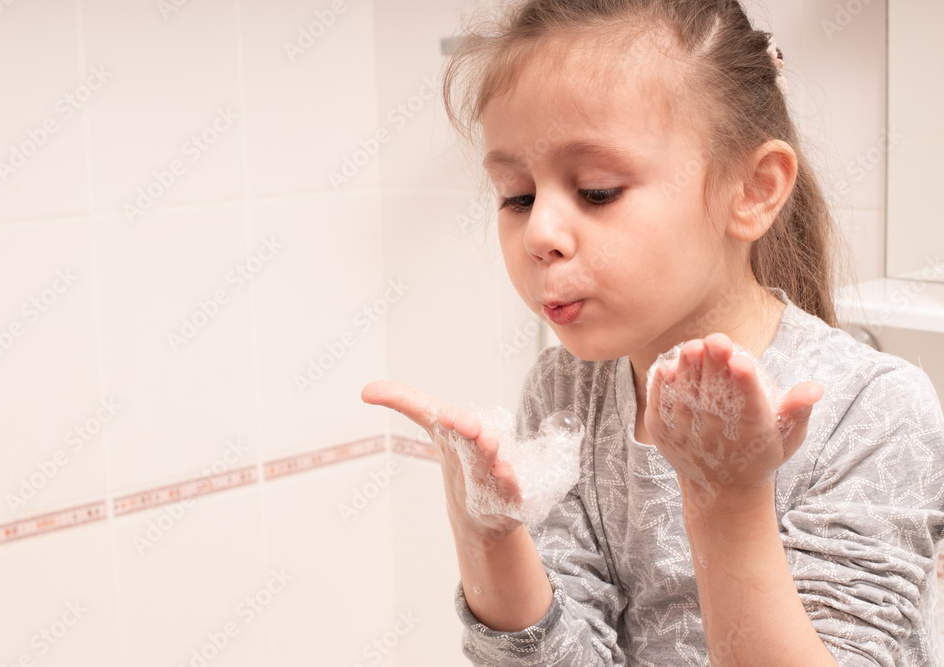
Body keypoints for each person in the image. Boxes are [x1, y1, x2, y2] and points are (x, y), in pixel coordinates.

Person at [361, 0, 944, 664]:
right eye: (517, 195)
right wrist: (488, 537)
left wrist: (725, 499)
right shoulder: (566, 391)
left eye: (598, 190)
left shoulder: (873, 411)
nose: (542, 234)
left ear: (752, 190)